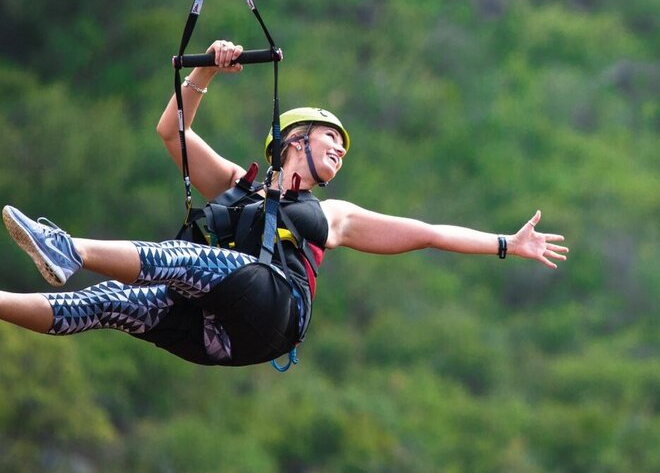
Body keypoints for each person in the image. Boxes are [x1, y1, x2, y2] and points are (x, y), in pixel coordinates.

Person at [2, 40, 569, 368]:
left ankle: (67, 248)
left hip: (275, 310)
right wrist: (205, 70)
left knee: (198, 263)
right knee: (109, 303)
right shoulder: (236, 183)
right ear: (295, 139)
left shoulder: (334, 217)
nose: (340, 154)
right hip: (217, 330)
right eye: (332, 141)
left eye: (344, 150)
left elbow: (425, 232)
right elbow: (171, 132)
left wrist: (504, 244)